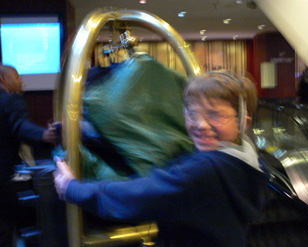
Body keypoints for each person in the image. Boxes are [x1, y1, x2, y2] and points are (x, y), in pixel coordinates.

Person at [53, 71, 270, 247]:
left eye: (215, 115)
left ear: (243, 123)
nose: (201, 124)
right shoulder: (250, 163)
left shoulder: (207, 170)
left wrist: (72, 188)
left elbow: (137, 197)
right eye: (193, 114)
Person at [0, 63, 58, 247]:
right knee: (30, 235)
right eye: (17, 77)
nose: (21, 82)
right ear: (3, 79)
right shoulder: (11, 101)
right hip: (13, 188)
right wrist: (44, 135)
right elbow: (19, 125)